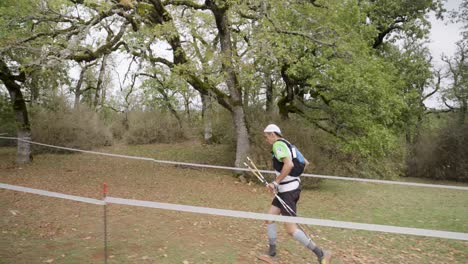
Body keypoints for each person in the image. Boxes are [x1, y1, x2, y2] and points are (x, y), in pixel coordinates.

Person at [262, 124, 331, 264]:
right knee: (269, 218)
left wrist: (276, 183)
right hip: (287, 190)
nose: (266, 139)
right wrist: (292, 179)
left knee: (291, 229)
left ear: (273, 135)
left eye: (267, 136)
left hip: (287, 192)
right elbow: (305, 162)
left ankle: (321, 254)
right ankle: (272, 252)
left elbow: (289, 165)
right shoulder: (289, 145)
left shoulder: (277, 145)